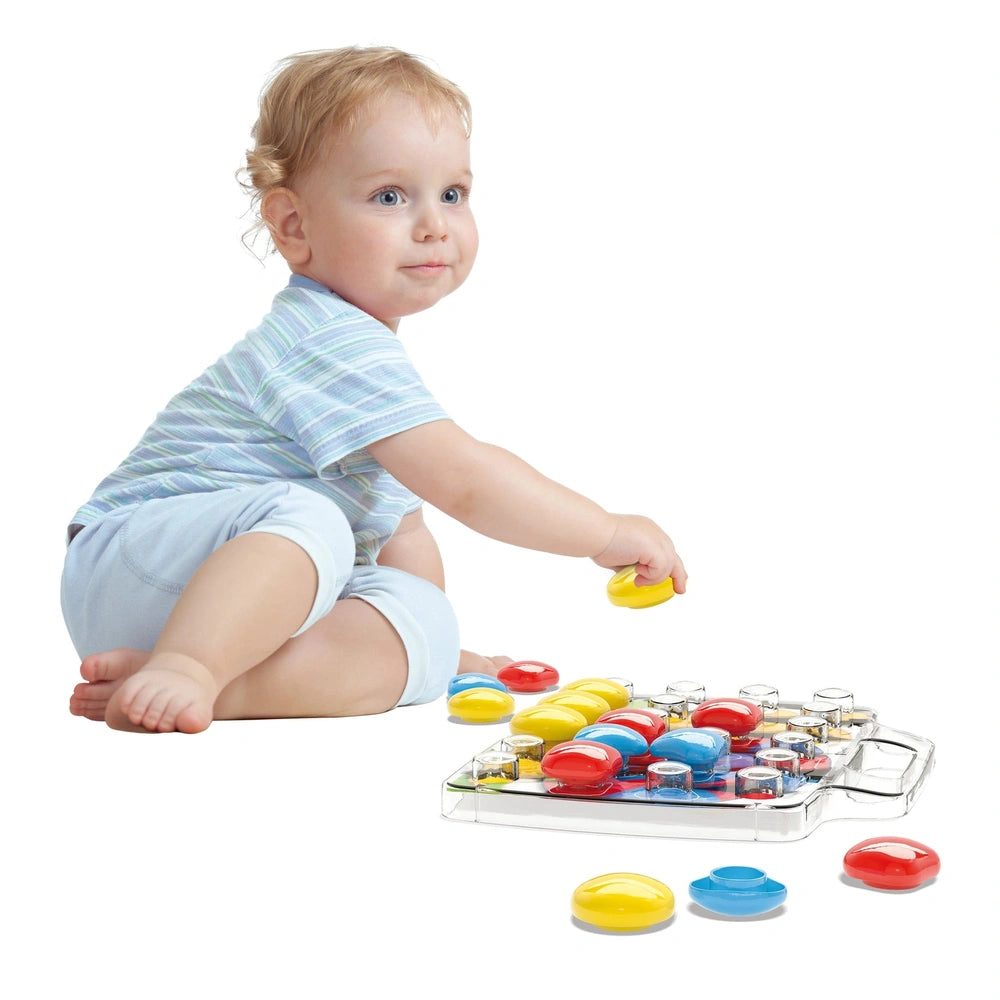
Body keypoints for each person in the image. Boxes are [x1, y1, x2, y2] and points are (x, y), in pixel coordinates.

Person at [62, 46, 687, 734]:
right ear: (294, 226)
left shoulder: (368, 361)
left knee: (424, 620)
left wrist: (440, 644)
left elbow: (402, 533)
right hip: (136, 565)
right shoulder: (325, 339)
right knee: (313, 518)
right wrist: (603, 530)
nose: (434, 223)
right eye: (390, 196)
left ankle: (216, 685)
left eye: (453, 193)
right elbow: (466, 481)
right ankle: (189, 666)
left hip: (233, 604)